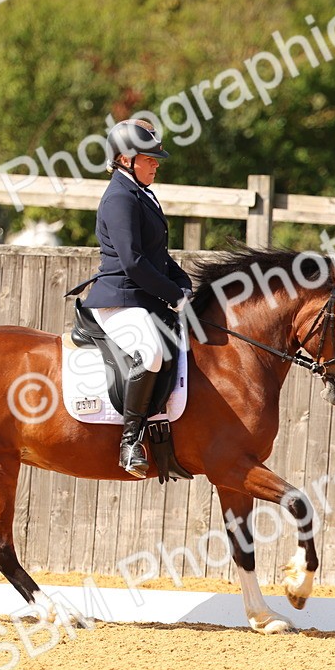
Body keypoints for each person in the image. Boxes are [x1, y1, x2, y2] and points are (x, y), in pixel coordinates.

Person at [82, 119, 193, 478]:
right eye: (150, 158)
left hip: (142, 298)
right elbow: (133, 262)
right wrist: (173, 293)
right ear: (127, 159)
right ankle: (130, 441)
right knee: (151, 352)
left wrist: (182, 281)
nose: (156, 163)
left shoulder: (141, 193)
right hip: (120, 299)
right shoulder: (118, 198)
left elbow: (156, 255)